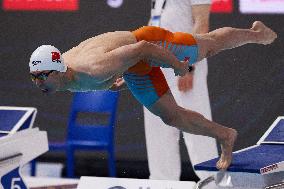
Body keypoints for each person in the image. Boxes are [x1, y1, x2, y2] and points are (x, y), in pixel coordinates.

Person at [29, 21, 277, 170]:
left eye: (41, 76)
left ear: (58, 69)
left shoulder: (93, 66)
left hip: (147, 41)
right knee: (171, 117)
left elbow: (144, 49)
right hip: (131, 65)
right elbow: (99, 80)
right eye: (34, 77)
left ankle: (257, 34)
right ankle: (226, 135)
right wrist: (112, 84)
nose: (38, 83)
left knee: (206, 47)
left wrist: (179, 66)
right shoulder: (61, 80)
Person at [144, 0, 217, 180]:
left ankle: (213, 183)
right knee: (159, 135)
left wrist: (189, 64)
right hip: (156, 68)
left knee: (198, 131)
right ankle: (161, 183)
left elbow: (201, 24)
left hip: (184, 65)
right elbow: (155, 22)